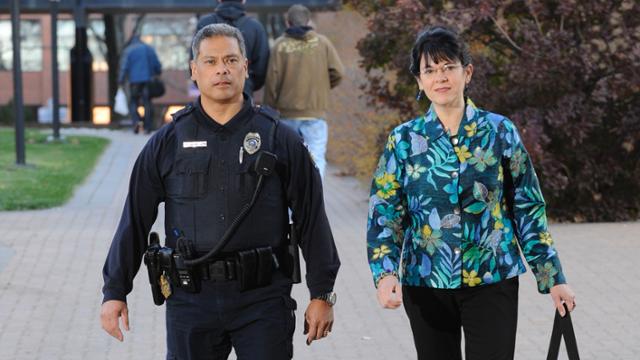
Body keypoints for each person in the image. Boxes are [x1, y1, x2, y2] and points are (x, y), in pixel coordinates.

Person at [101, 23, 340, 360]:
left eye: (230, 60)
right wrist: (114, 290)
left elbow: (312, 218)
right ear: (193, 70)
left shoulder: (279, 139)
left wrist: (322, 293)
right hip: (191, 299)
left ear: (245, 66)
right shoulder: (168, 142)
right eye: (210, 62)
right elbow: (135, 221)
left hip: (263, 298)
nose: (222, 70)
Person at [366, 26, 576, 360]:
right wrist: (385, 272)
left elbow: (527, 207)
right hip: (426, 279)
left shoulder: (499, 131)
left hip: (492, 277)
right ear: (419, 81)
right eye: (430, 71)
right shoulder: (404, 140)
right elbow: (385, 211)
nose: (441, 77)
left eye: (448, 67)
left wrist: (552, 277)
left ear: (467, 71)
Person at [262, 4, 344, 179]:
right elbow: (338, 73)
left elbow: (271, 81)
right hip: (315, 114)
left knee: (288, 160)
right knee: (316, 159)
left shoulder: (279, 46)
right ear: (309, 21)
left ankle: (291, 205)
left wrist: (269, 109)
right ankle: (314, 202)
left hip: (286, 115)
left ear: (287, 22)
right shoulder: (322, 43)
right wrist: (322, 86)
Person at [196, 0, 270, 95]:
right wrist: (248, 84)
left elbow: (195, 60)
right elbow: (261, 69)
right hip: (243, 92)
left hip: (210, 92)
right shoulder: (255, 27)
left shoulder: (204, 24)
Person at [118, 35, 162, 134]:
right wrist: (157, 73)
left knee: (133, 101)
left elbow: (124, 67)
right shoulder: (149, 49)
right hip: (148, 80)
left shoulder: (129, 50)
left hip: (134, 81)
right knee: (147, 102)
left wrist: (121, 80)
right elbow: (157, 65)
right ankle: (147, 127)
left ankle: (136, 121)